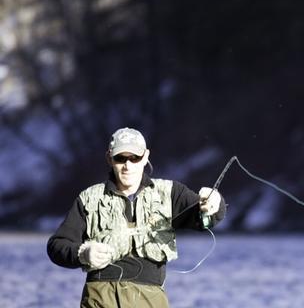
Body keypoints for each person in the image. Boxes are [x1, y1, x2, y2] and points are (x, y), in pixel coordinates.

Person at [47, 127, 226, 307]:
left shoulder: (171, 193)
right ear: (109, 158)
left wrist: (213, 205)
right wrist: (83, 254)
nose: (128, 165)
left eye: (135, 158)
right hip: (100, 299)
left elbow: (206, 218)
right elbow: (56, 246)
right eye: (120, 158)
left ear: (146, 156)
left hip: (150, 300)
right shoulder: (88, 199)